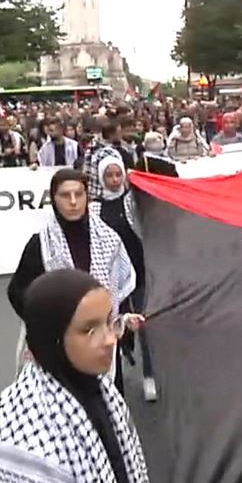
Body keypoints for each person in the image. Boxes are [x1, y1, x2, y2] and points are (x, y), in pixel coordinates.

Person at [0, 269, 153, 483]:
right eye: (89, 330)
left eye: (109, 322)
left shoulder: (102, 391)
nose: (110, 339)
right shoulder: (23, 439)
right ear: (52, 339)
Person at [8, 169, 137, 394]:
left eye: (79, 194)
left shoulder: (108, 239)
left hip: (102, 342)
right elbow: (19, 292)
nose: (73, 202)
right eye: (65, 195)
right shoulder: (42, 245)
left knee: (106, 407)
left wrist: (123, 319)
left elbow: (119, 288)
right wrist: (48, 328)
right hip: (59, 345)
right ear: (54, 199)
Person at [90, 154, 157, 402]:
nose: (115, 180)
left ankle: (149, 375)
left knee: (144, 323)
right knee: (112, 326)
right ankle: (113, 379)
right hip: (109, 279)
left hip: (139, 273)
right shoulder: (94, 207)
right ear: (101, 178)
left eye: (119, 174)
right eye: (109, 175)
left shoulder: (132, 200)